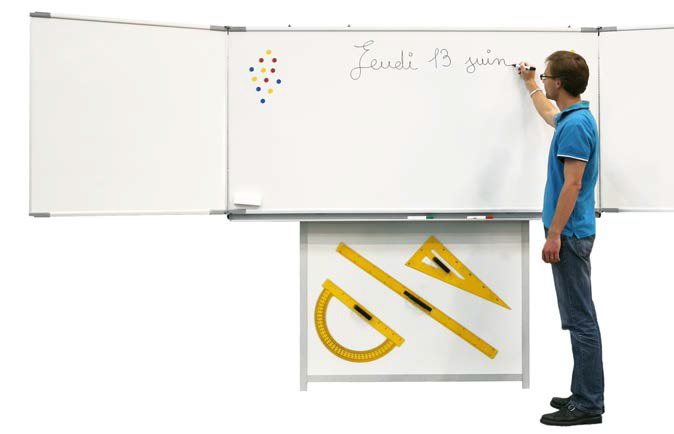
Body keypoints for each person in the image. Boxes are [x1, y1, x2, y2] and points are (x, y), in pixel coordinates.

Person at [517, 51, 604, 426]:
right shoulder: (571, 118)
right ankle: (583, 392)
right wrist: (530, 85)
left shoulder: (576, 126)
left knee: (581, 320)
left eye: (546, 76)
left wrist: (554, 234)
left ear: (560, 83)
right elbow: (547, 113)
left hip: (568, 234)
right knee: (578, 317)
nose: (544, 79)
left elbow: (572, 184)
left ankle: (588, 403)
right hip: (569, 231)